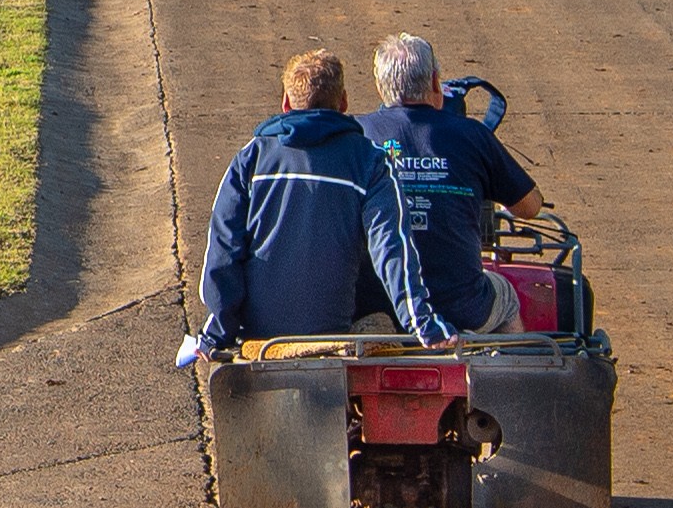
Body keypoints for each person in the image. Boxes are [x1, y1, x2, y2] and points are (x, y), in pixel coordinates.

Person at [188, 49, 452, 359]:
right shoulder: (371, 161)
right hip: (331, 333)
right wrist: (423, 324)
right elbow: (392, 247)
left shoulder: (251, 158)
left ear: (286, 103)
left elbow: (222, 250)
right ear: (343, 103)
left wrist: (216, 333)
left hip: (259, 339)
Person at [357, 34, 542, 338]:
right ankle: (512, 377)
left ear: (381, 87)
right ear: (434, 82)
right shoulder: (472, 134)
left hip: (375, 305)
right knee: (506, 296)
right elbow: (530, 207)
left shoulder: (359, 134)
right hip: (463, 307)